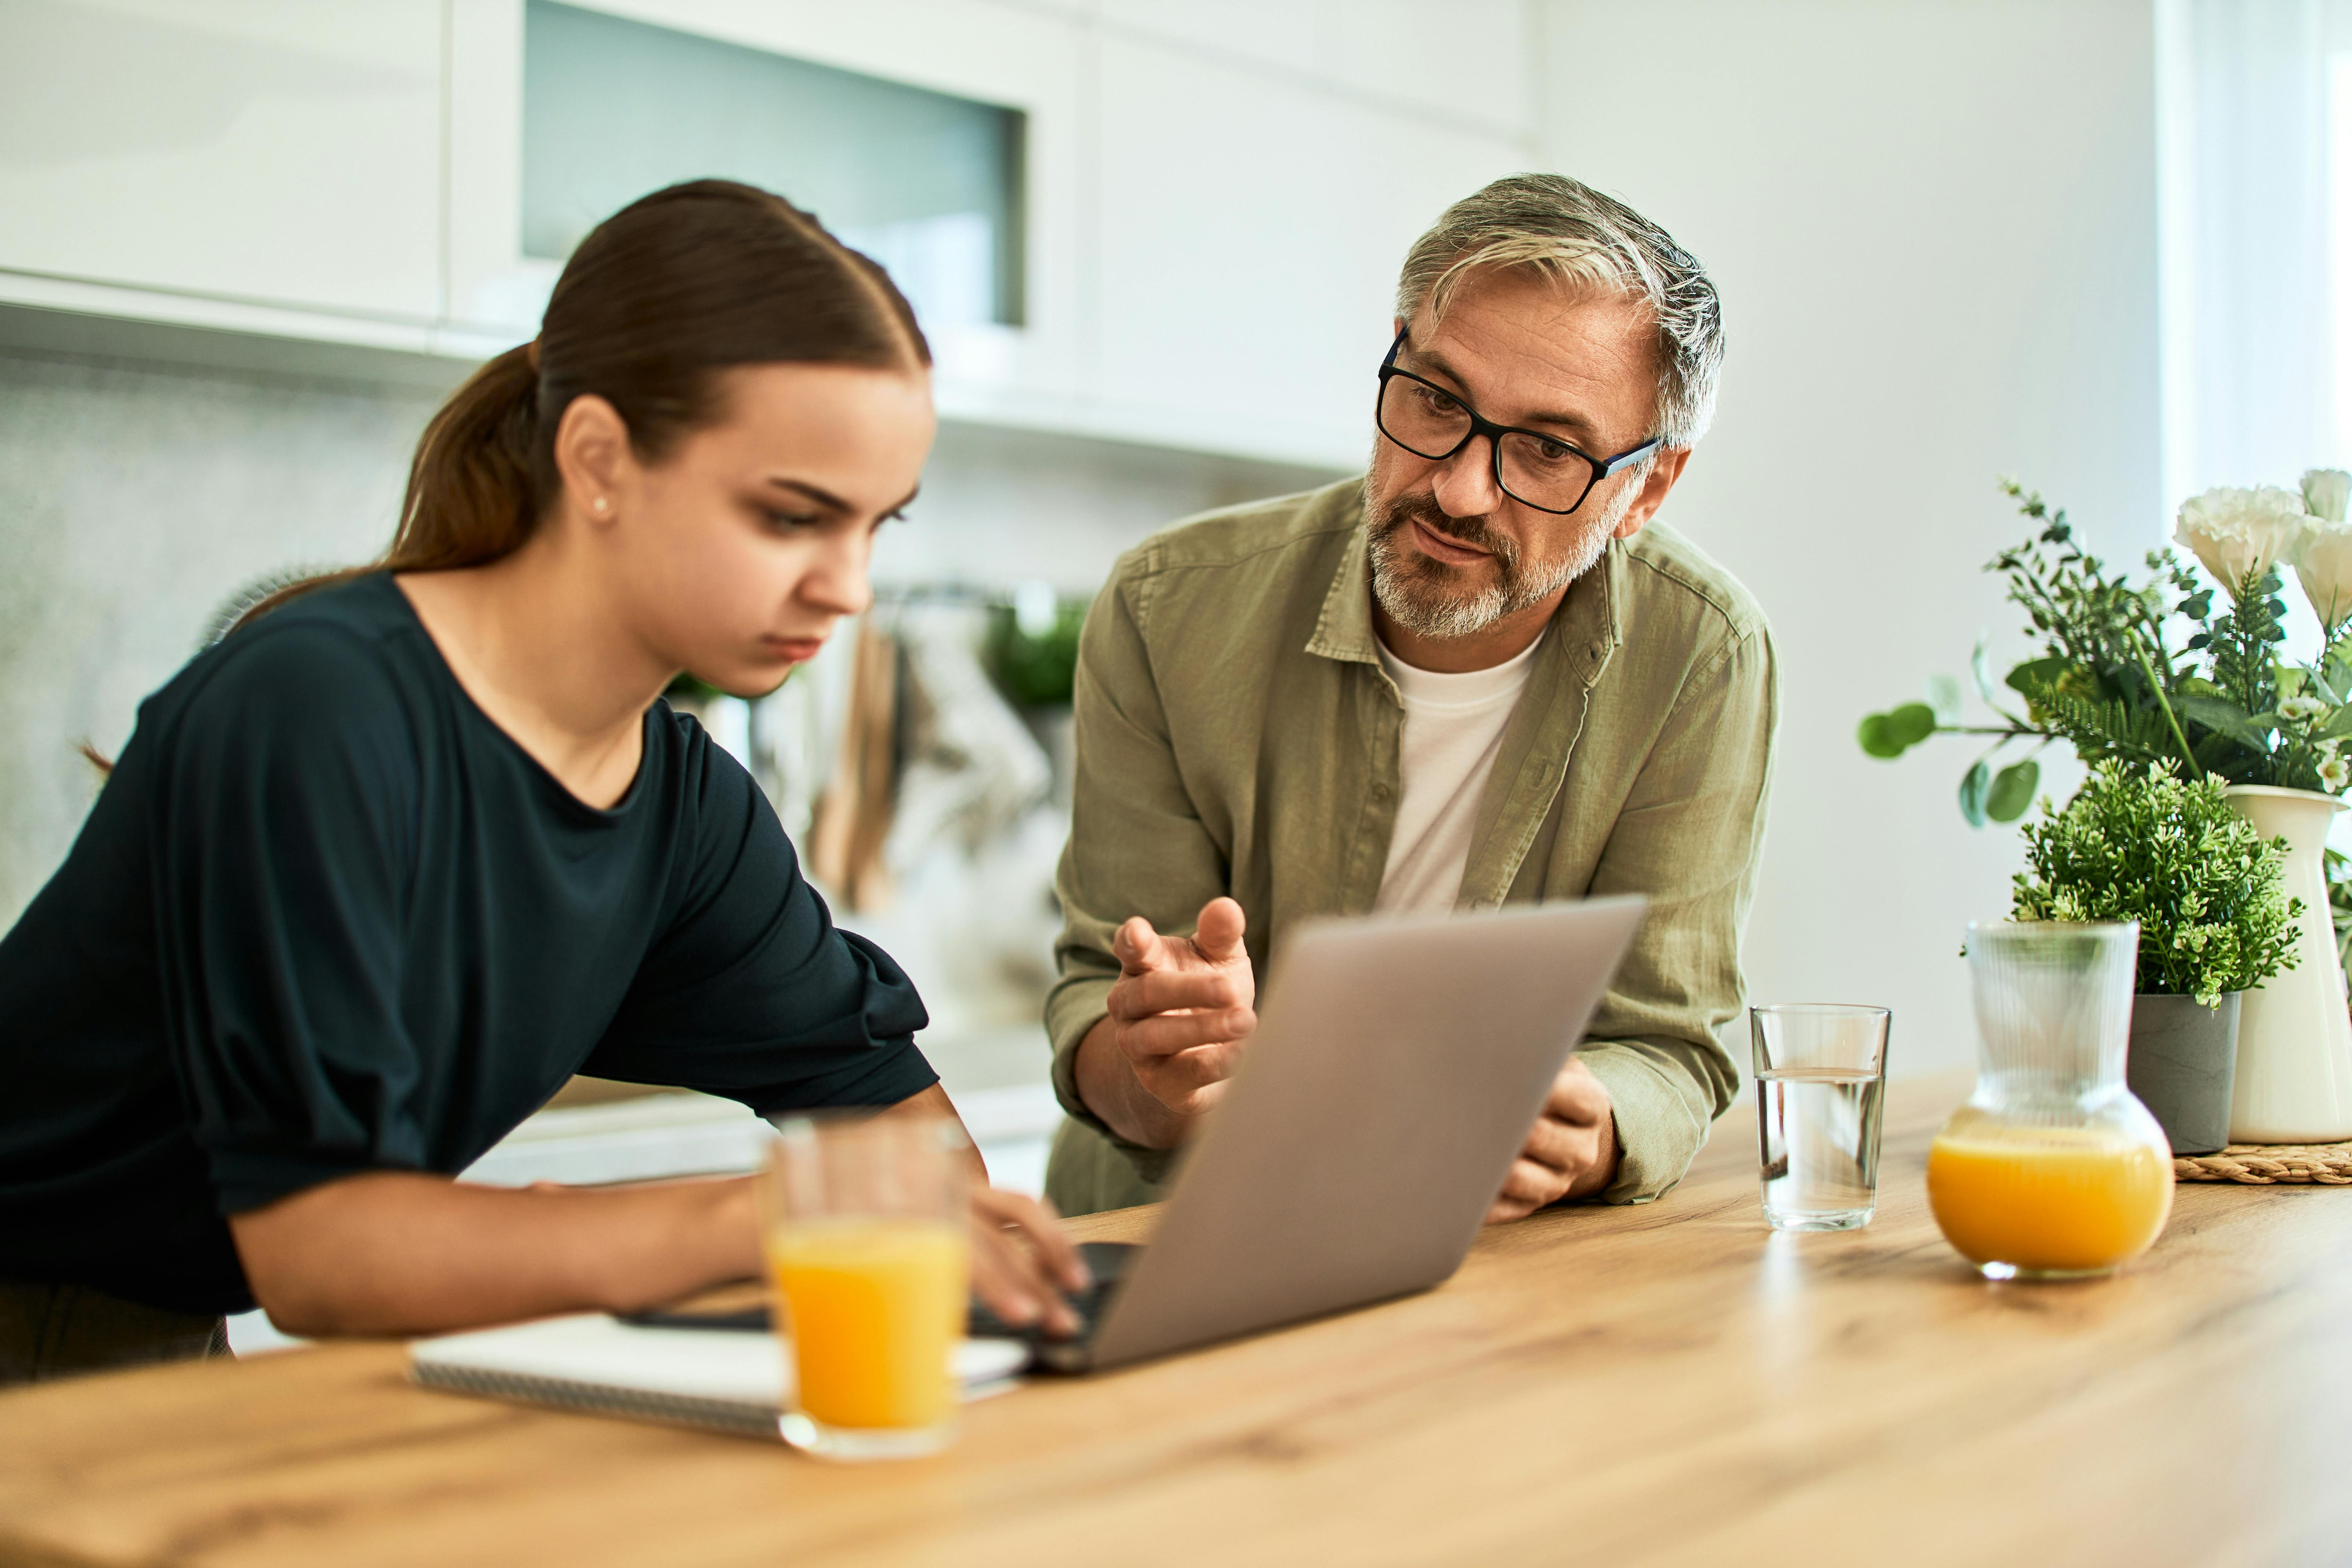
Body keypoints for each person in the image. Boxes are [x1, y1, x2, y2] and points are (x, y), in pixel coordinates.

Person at [0, 180, 1085, 1384]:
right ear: (599, 459)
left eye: (877, 526)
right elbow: (326, 1254)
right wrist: (755, 1219)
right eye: (792, 518)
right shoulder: (318, 707)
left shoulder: (681, 808)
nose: (848, 586)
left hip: (149, 1333)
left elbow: (901, 1143)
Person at [1043, 174, 1775, 1218]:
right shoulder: (1166, 607)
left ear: (1645, 490)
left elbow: (1668, 1043)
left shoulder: (1700, 652)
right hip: (1160, 1235)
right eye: (1435, 400)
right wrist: (1159, 1067)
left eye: (1548, 449)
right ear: (1392, 353)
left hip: (1481, 1262)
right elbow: (1095, 1016)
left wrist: (1588, 1123)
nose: (1458, 489)